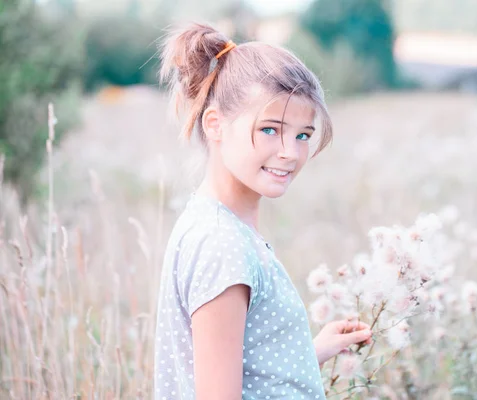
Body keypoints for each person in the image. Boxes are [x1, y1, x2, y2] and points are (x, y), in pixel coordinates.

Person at [154, 22, 372, 399]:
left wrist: (311, 349)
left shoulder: (221, 225)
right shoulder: (222, 245)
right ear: (216, 125)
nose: (290, 151)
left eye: (303, 134)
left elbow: (242, 366)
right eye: (271, 129)